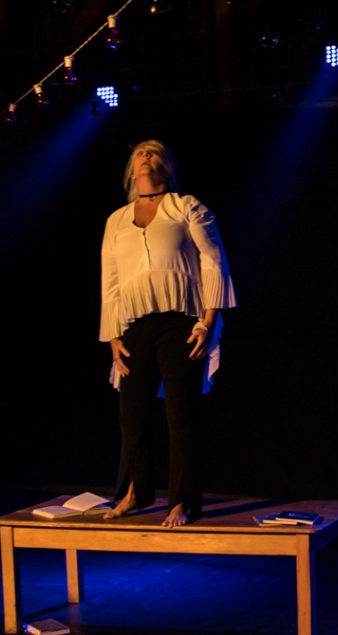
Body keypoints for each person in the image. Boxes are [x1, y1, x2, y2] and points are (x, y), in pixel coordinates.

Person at [99, 140, 237, 527]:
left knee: (181, 414)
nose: (146, 155)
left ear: (168, 166)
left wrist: (208, 322)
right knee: (132, 415)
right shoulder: (117, 220)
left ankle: (182, 502)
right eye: (140, 152)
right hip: (135, 325)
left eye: (154, 151)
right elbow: (110, 282)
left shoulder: (186, 207)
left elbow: (213, 263)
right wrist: (113, 337)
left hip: (183, 322)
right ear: (131, 169)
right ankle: (136, 492)